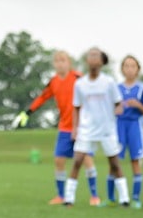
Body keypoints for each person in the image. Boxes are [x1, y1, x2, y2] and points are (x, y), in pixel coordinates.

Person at [13, 50, 100, 206]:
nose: (60, 63)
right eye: (57, 61)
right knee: (59, 160)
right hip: (64, 128)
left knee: (86, 159)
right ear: (54, 64)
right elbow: (42, 97)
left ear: (69, 63)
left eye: (63, 60)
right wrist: (27, 113)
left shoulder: (78, 78)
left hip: (82, 127)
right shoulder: (53, 82)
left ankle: (94, 196)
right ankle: (61, 195)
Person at [65, 48, 129, 207]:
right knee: (77, 161)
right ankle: (68, 198)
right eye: (90, 55)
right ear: (87, 61)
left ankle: (124, 198)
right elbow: (76, 107)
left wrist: (119, 108)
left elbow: (118, 103)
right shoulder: (80, 84)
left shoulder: (108, 82)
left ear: (101, 61)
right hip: (86, 130)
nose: (92, 58)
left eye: (96, 55)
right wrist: (75, 128)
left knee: (114, 163)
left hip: (107, 129)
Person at [110, 55, 143, 209]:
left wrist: (138, 105)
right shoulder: (116, 88)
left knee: (135, 160)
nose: (129, 69)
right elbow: (111, 108)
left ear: (137, 69)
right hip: (119, 126)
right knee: (114, 160)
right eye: (126, 66)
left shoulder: (142, 89)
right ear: (122, 69)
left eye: (132, 66)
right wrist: (116, 109)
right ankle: (111, 197)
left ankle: (135, 198)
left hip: (134, 126)